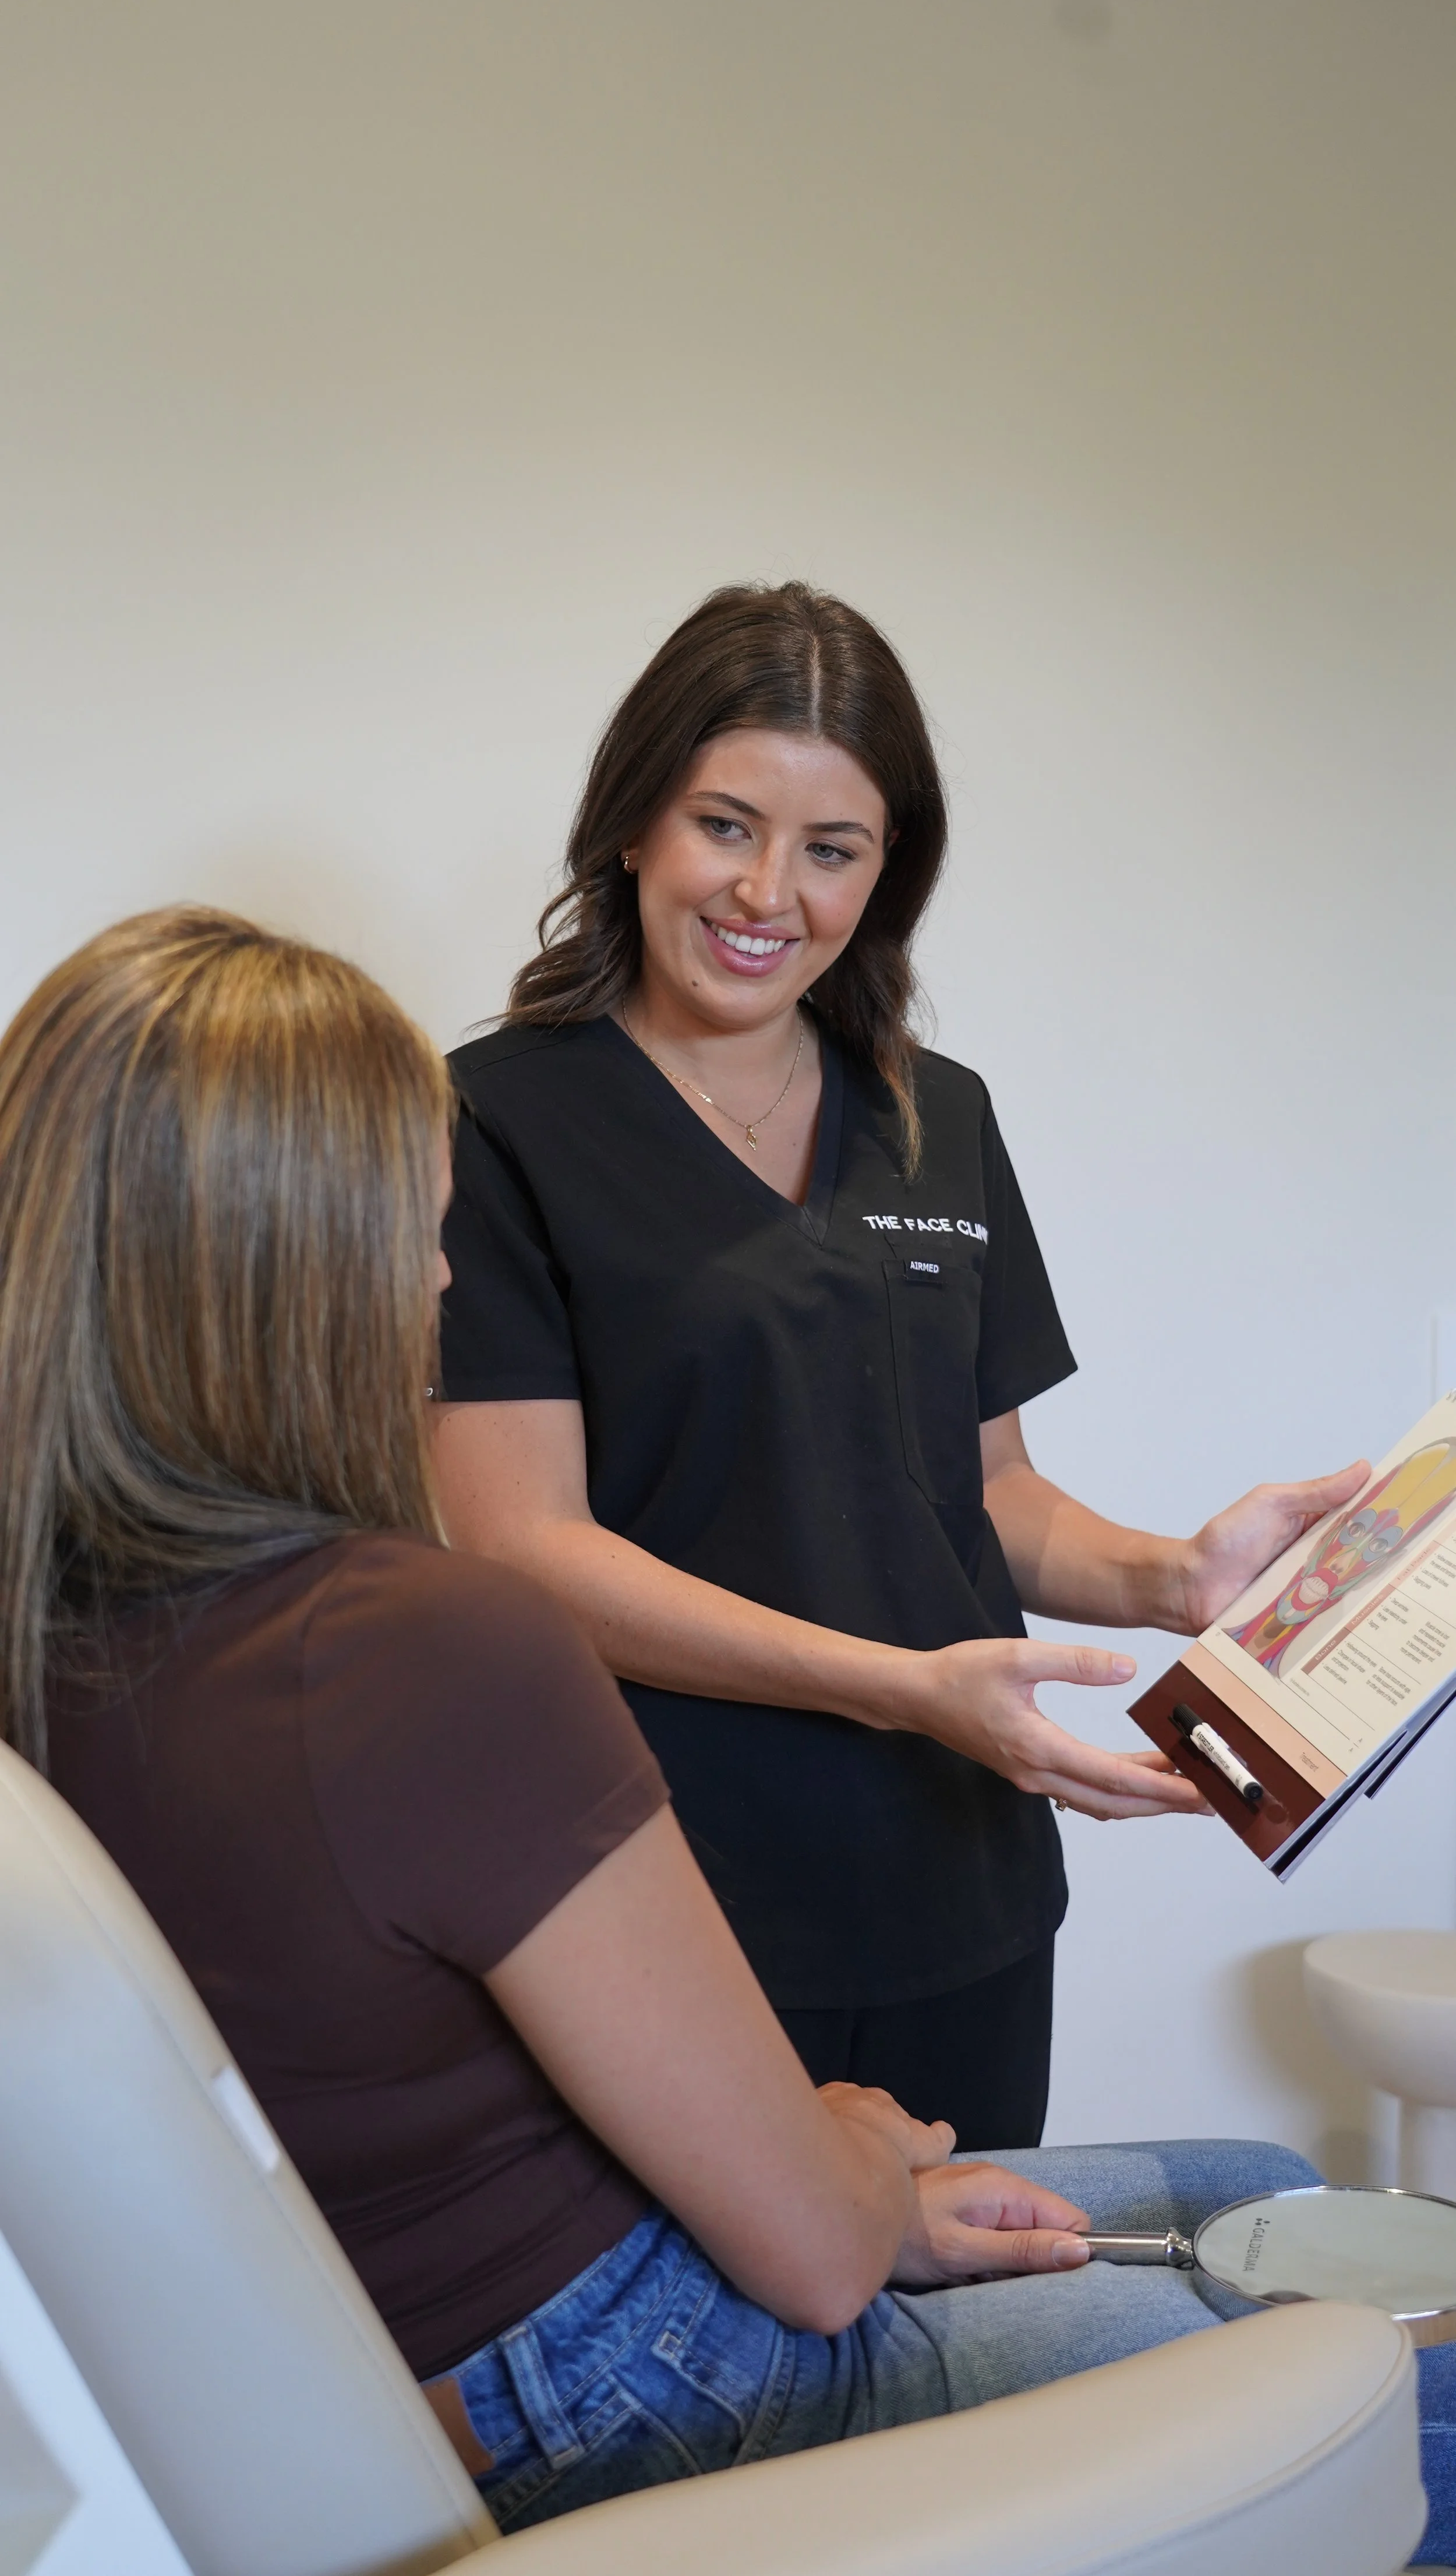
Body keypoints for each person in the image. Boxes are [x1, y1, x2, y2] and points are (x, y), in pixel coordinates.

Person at [9, 907, 1452, 2557]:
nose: (435, 1284)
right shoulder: (426, 1652)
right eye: (411, 1237)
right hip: (615, 2372)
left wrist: (1160, 1576)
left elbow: (987, 1484)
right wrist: (843, 2154)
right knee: (1388, 2369)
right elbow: (818, 2260)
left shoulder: (68, 1648)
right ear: (288, 1273)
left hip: (490, 2319)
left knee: (1250, 2189)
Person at [432, 581, 1366, 2147]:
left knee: (985, 2355)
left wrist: (1171, 1579)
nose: (766, 892)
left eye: (830, 849)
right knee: (745, 2377)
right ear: (633, 826)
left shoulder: (939, 1112)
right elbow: (526, 1550)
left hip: (961, 1877)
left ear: (887, 871)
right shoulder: (493, 1122)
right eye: (725, 824)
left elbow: (981, 1490)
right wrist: (901, 1692)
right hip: (661, 1889)